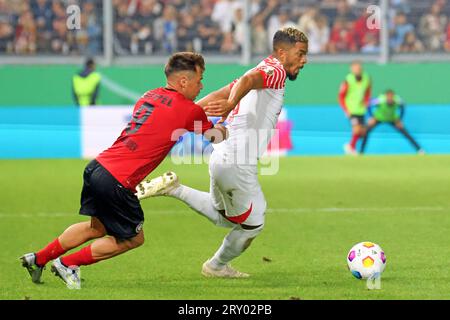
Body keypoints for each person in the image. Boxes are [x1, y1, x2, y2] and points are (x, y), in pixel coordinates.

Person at [20, 52, 227, 289]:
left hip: (97, 168)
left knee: (95, 228)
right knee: (133, 238)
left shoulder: (149, 96)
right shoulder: (189, 111)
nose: (201, 86)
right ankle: (68, 263)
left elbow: (173, 116)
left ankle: (38, 258)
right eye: (199, 80)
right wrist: (226, 117)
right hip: (117, 180)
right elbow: (215, 137)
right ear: (183, 81)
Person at [136, 27, 308, 278]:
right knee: (253, 224)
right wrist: (229, 105)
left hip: (221, 156)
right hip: (237, 163)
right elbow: (243, 86)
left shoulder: (263, 68)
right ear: (282, 53)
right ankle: (215, 267)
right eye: (300, 54)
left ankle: (174, 188)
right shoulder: (276, 71)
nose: (304, 60)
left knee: (225, 218)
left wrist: (185, 114)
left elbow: (222, 93)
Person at [360, 89, 424, 154]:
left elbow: (403, 107)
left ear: (393, 96)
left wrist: (400, 119)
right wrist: (371, 117)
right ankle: (361, 152)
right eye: (388, 96)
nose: (390, 98)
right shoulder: (380, 100)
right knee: (365, 131)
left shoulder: (398, 100)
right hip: (378, 118)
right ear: (385, 96)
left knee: (406, 133)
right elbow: (368, 105)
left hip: (392, 119)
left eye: (391, 96)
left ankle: (419, 150)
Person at [338, 61, 372, 155]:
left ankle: (359, 152)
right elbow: (341, 96)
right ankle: (350, 146)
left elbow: (368, 92)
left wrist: (366, 101)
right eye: (355, 68)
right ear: (352, 69)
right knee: (357, 129)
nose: (358, 70)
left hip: (361, 110)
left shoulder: (366, 77)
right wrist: (346, 110)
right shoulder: (348, 80)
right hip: (351, 110)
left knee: (364, 132)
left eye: (359, 68)